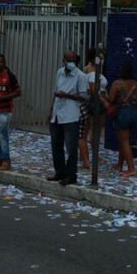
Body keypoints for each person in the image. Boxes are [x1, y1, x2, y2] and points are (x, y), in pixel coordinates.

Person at [47, 50, 89, 186]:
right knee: (56, 145)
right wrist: (50, 110)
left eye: (73, 61)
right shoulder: (60, 72)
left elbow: (84, 97)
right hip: (57, 114)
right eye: (68, 60)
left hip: (71, 115)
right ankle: (59, 172)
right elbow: (56, 92)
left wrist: (67, 95)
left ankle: (71, 175)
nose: (71, 63)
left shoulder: (80, 76)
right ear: (63, 60)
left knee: (71, 148)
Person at [104, 61, 137, 177]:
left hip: (122, 114)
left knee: (124, 142)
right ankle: (119, 164)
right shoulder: (135, 83)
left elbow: (111, 99)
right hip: (134, 113)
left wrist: (102, 95)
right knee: (124, 140)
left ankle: (131, 168)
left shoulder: (117, 83)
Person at [79, 49, 107, 170]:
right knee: (87, 128)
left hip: (101, 101)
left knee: (98, 130)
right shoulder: (87, 69)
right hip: (91, 101)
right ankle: (83, 154)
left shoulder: (101, 70)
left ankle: (95, 153)